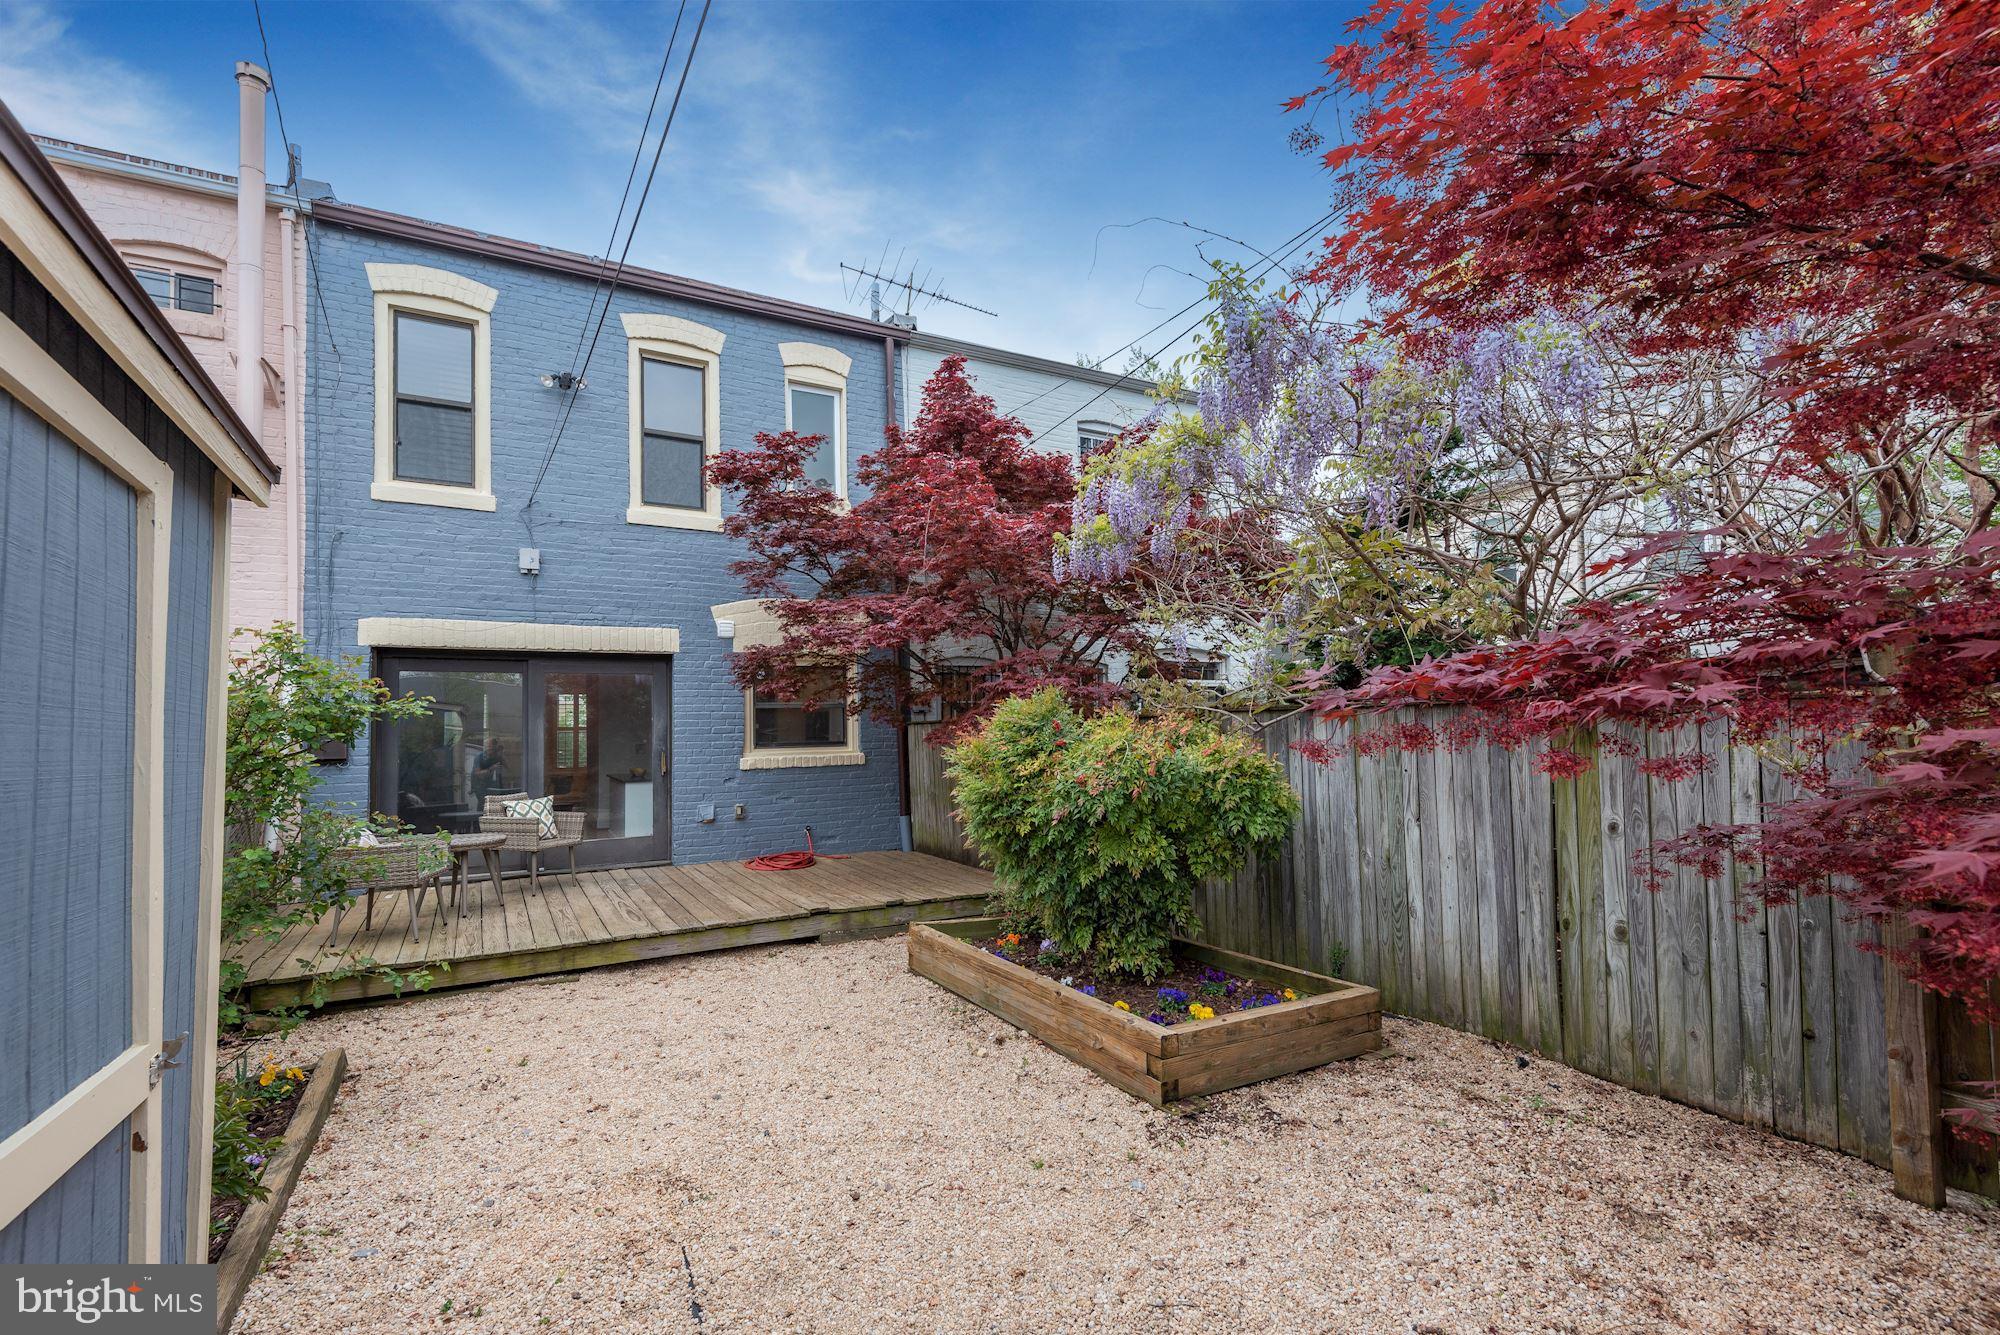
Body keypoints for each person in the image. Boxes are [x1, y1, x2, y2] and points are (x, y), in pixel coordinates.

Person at [471, 736, 509, 803]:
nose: (490, 750)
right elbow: (477, 773)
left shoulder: (498, 756)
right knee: (483, 805)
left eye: (492, 748)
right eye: (488, 748)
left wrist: (502, 755)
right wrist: (491, 769)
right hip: (480, 786)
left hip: (494, 787)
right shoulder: (479, 757)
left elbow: (508, 769)